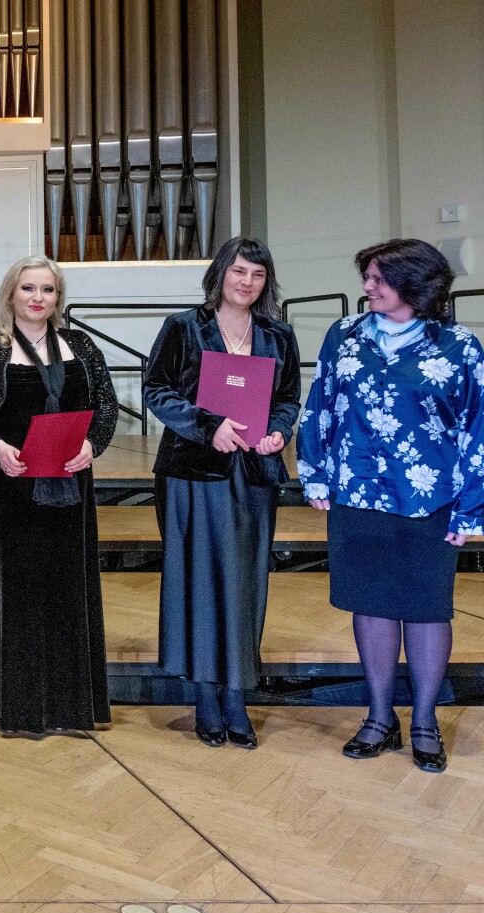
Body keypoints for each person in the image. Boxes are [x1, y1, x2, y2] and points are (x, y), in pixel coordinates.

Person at [299, 238, 484, 773]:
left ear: (416, 284)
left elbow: (477, 427)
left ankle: (424, 720)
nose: (368, 288)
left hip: (432, 498)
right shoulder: (346, 335)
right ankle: (380, 716)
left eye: (378, 279)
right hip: (357, 493)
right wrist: (314, 473)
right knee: (372, 604)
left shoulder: (458, 345)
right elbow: (322, 405)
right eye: (368, 277)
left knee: (427, 609)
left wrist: (472, 508)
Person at [143, 237, 302, 749]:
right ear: (220, 274)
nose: (247, 283)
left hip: (252, 473)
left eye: (257, 275)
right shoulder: (183, 327)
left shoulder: (278, 335)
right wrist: (207, 425)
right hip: (193, 474)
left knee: (245, 583)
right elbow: (156, 391)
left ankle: (238, 695)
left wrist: (279, 431)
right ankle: (206, 699)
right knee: (197, 582)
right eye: (238, 272)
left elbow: (287, 399)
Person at [0, 255, 118, 737]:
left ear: (57, 298)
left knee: (70, 588)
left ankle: (70, 708)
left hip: (70, 483)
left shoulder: (81, 345)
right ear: (11, 294)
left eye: (47, 290)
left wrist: (93, 445)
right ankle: (18, 708)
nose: (37, 298)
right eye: (28, 288)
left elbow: (104, 404)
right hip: (14, 484)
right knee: (19, 591)